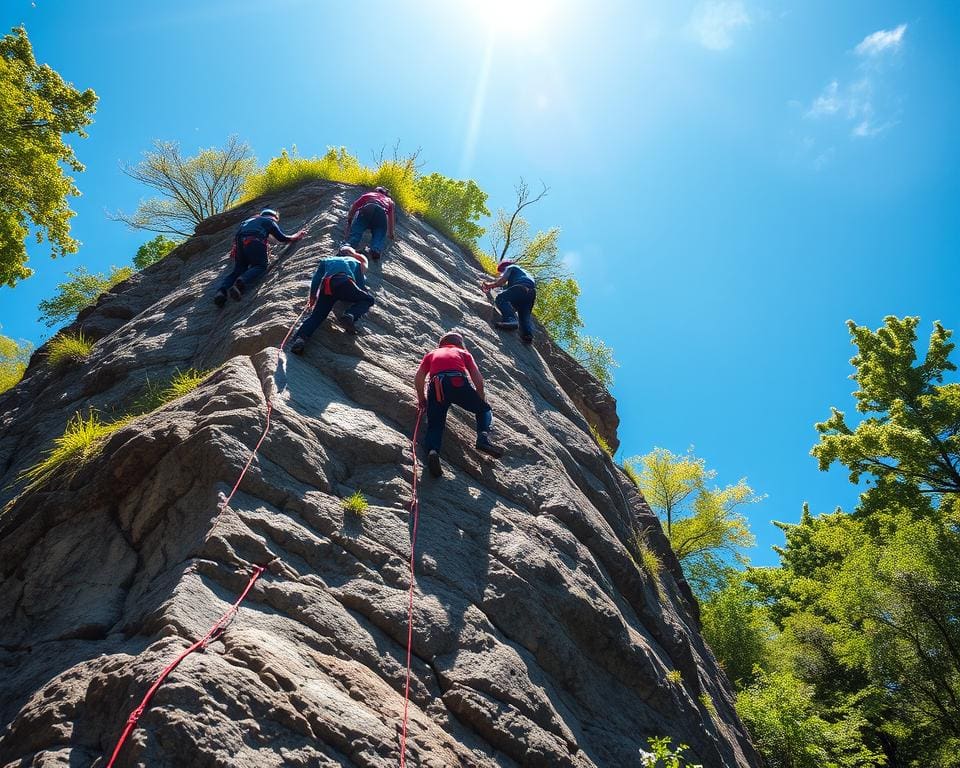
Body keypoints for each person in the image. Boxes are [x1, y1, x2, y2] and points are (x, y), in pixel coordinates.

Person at [414, 332, 503, 478]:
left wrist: (421, 399)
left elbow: (419, 377)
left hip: (437, 386)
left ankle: (433, 451)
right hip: (457, 382)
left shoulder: (432, 353)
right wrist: (481, 400)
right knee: (484, 410)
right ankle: (483, 437)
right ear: (460, 343)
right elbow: (478, 380)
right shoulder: (463, 352)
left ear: (441, 344)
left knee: (435, 424)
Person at [290, 246, 374, 353]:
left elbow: (316, 279)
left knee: (316, 316)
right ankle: (349, 315)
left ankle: (300, 339)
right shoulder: (354, 261)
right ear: (351, 254)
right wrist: (361, 295)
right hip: (345, 283)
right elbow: (360, 285)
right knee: (368, 299)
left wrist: (312, 297)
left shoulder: (327, 260)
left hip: (327, 287)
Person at [214, 208, 305, 306]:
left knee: (238, 269)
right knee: (260, 265)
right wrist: (296, 235)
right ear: (274, 217)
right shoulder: (269, 221)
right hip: (254, 241)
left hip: (240, 244)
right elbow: (282, 238)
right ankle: (240, 282)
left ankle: (221, 292)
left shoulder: (248, 221)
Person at [481, 260, 537, 344]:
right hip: (531, 293)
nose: (501, 274)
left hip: (521, 287)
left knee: (501, 298)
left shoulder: (511, 267)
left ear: (504, 268)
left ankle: (511, 320)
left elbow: (502, 280)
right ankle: (527, 335)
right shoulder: (524, 273)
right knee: (523, 314)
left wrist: (490, 285)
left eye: (501, 272)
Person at [344, 186, 396, 260]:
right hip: (381, 213)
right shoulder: (389, 200)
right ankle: (375, 249)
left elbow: (355, 205)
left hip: (368, 208)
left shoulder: (369, 194)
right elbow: (391, 219)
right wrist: (391, 234)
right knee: (380, 231)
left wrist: (350, 217)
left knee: (359, 226)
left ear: (376, 191)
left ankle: (350, 244)